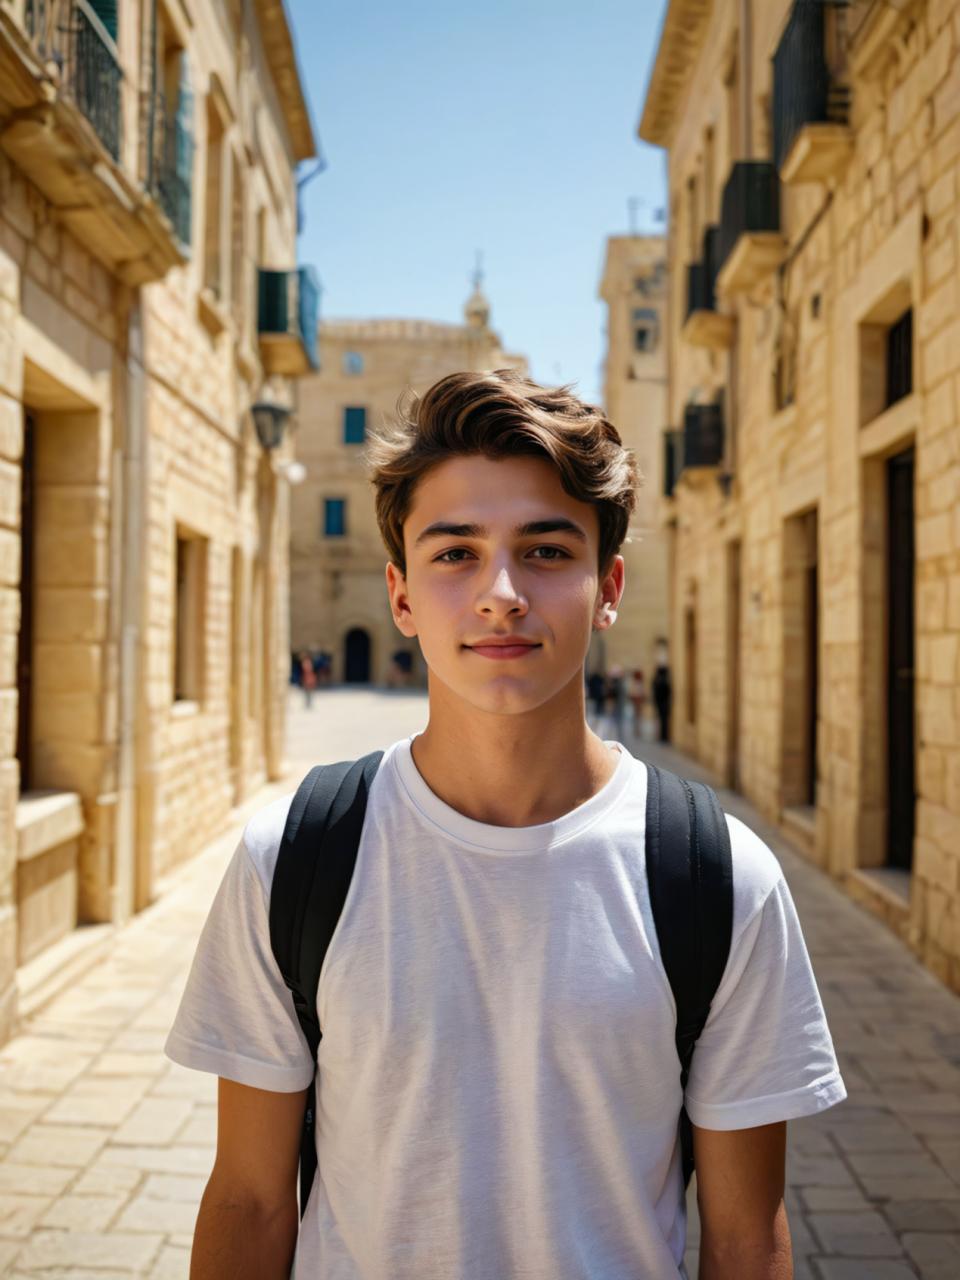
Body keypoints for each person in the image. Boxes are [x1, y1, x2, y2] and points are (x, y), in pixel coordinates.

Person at [166, 370, 845, 1279]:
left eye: (546, 551)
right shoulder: (290, 859)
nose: (501, 593)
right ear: (401, 597)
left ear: (607, 587)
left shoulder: (722, 879)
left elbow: (744, 1235)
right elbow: (249, 1201)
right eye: (454, 554)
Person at [653, 637, 672, 743]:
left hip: (663, 700)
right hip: (662, 700)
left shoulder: (661, 677)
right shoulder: (660, 678)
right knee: (662, 718)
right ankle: (662, 736)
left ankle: (663, 736)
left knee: (663, 718)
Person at [628, 666, 647, 738]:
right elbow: (633, 693)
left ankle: (638, 731)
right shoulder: (636, 683)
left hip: (638, 702)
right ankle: (637, 731)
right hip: (636, 701)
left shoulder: (639, 683)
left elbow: (641, 693)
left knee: (638, 717)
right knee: (637, 717)